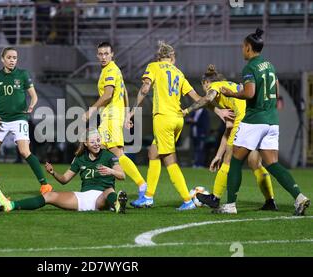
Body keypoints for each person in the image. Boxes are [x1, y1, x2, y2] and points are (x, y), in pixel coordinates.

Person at [125, 41, 233, 210]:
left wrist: (132, 111)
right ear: (172, 58)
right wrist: (219, 112)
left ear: (159, 57)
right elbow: (198, 97)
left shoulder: (153, 66)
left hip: (163, 119)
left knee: (170, 161)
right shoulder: (179, 73)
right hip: (177, 119)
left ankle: (187, 200)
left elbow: (145, 89)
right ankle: (148, 196)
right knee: (153, 152)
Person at [217, 28, 310, 215]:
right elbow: (275, 89)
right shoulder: (269, 65)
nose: (242, 50)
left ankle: (230, 205)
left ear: (249, 48)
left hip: (254, 120)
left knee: (235, 160)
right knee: (272, 163)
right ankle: (299, 197)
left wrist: (232, 93)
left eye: (243, 47)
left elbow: (249, 93)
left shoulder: (250, 68)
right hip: (272, 121)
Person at [181, 64, 278, 211]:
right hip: (256, 120)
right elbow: (228, 130)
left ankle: (215, 197)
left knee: (229, 160)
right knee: (254, 162)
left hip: (245, 122)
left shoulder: (216, 87)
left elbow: (207, 99)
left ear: (206, 83)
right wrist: (217, 156)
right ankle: (270, 201)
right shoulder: (230, 87)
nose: (204, 89)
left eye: (203, 86)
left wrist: (187, 110)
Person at [0, 128, 128, 213]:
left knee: (109, 191)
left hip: (102, 197)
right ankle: (10, 205)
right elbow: (65, 180)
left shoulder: (109, 156)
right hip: (83, 198)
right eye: (93, 141)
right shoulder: (79, 158)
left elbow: (122, 175)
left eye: (98, 140)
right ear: (86, 143)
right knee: (49, 195)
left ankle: (116, 204)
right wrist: (53, 173)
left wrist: (111, 171)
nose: (97, 144)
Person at [82, 41, 148, 201]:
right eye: (101, 54)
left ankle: (142, 185)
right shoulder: (113, 70)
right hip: (112, 116)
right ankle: (103, 189)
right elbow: (124, 92)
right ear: (97, 55)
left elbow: (108, 95)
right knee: (101, 150)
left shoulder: (110, 70)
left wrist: (92, 109)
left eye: (106, 54)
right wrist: (126, 115)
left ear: (112, 54)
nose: (103, 57)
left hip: (111, 117)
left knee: (115, 152)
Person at [0, 47, 53, 195]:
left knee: (24, 151)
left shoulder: (23, 74)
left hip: (19, 118)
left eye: (14, 57)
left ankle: (44, 184)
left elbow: (34, 96)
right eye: (9, 57)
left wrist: (32, 105)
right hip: (0, 119)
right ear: (2, 59)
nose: (12, 60)